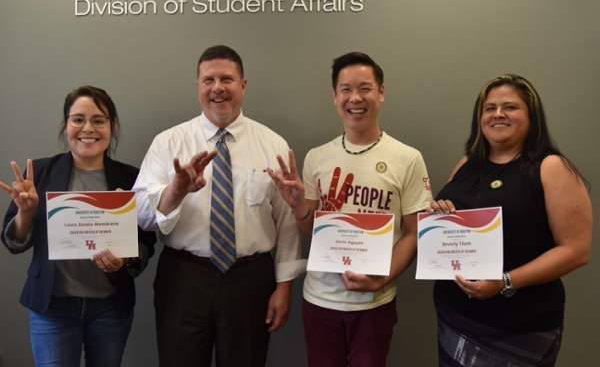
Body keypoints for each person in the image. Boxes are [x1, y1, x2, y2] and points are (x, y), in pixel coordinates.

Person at [133, 45, 304, 367]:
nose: (217, 88)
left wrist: (284, 287)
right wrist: (176, 191)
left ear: (243, 84)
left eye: (227, 78)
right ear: (198, 85)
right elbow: (141, 215)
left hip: (250, 280)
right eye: (208, 79)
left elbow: (287, 222)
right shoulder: (168, 143)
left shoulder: (273, 144)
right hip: (184, 278)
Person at [267, 52, 433, 366]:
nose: (355, 98)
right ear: (335, 97)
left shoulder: (408, 158)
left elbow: (413, 234)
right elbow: (311, 229)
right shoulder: (317, 157)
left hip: (375, 303)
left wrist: (380, 280)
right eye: (346, 89)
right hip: (319, 300)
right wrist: (301, 208)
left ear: (381, 93)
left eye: (365, 88)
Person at [429, 74, 592, 366]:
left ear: (532, 115)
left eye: (510, 107)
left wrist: (505, 281)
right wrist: (439, 216)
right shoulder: (468, 163)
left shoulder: (551, 167)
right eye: (489, 108)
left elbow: (576, 250)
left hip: (518, 328)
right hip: (455, 319)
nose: (498, 114)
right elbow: (454, 222)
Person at [0, 85, 157, 367]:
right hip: (53, 307)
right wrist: (26, 213)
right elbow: (14, 241)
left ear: (112, 127)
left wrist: (125, 260)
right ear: (66, 125)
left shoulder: (132, 177)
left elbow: (146, 241)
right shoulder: (40, 173)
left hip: (110, 307)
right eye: (78, 119)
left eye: (98, 120)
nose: (88, 128)